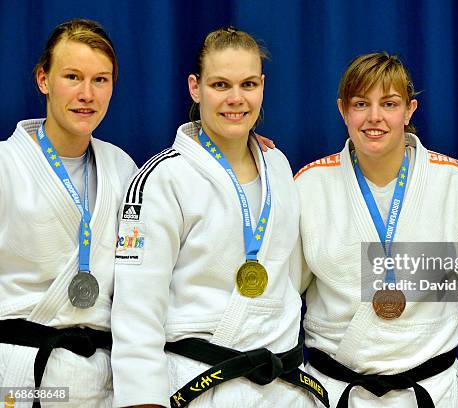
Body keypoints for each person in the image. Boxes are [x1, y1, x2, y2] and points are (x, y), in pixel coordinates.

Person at [110, 27, 327, 408]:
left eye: (247, 84)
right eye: (220, 85)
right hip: (200, 384)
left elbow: (288, 279)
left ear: (262, 85)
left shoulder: (277, 165)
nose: (236, 99)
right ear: (195, 88)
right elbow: (136, 308)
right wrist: (144, 401)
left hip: (283, 385)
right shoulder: (162, 179)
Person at [294, 52, 458, 407]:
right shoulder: (309, 185)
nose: (374, 117)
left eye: (389, 103)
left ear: (409, 110)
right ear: (343, 110)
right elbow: (283, 292)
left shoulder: (454, 182)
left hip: (431, 389)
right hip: (337, 389)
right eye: (361, 104)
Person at [0, 19, 137, 407]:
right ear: (43, 79)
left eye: (100, 80)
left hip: (97, 377)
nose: (86, 94)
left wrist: (239, 144)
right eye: (72, 77)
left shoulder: (123, 169)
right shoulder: (5, 165)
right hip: (18, 372)